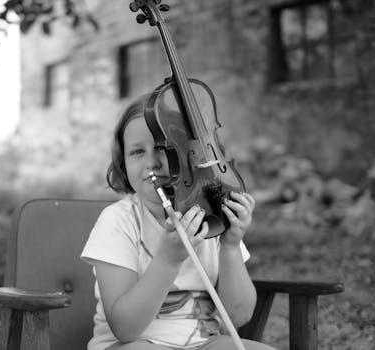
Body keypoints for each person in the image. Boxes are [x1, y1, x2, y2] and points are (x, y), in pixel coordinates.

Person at [81, 93, 277, 350]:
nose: (152, 162)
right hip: (133, 344)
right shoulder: (118, 221)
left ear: (190, 154)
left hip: (204, 343)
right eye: (137, 151)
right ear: (123, 163)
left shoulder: (211, 214)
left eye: (163, 148)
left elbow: (238, 316)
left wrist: (230, 246)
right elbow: (125, 329)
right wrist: (168, 259)